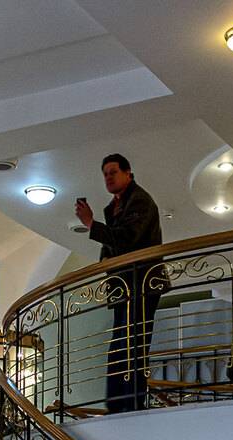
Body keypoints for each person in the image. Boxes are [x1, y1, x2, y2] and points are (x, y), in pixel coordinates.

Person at [74, 154, 163, 413]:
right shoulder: (116, 207)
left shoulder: (140, 201)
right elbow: (116, 244)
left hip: (141, 283)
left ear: (128, 173)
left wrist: (91, 224)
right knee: (120, 346)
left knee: (132, 345)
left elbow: (127, 239)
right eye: (105, 174)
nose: (108, 177)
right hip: (126, 286)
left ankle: (129, 404)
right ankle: (118, 405)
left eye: (113, 172)